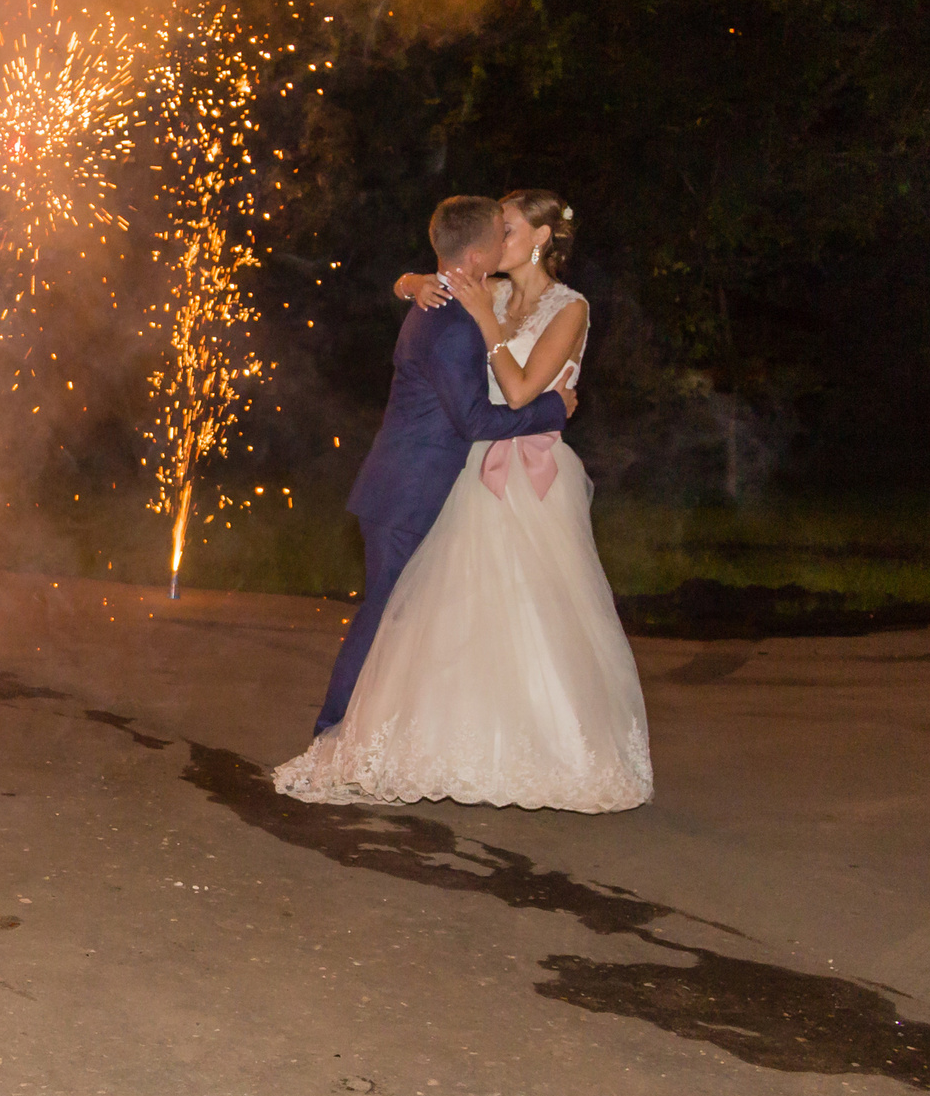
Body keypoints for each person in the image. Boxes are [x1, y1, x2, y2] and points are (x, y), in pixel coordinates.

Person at [275, 189, 653, 811]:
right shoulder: (490, 293)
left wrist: (485, 326)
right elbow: (440, 292)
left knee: (532, 620)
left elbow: (523, 387)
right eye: (495, 229)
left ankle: (536, 748)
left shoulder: (569, 308)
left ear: (537, 239)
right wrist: (411, 281)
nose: (496, 239)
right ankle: (418, 740)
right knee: (445, 616)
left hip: (528, 478)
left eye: (508, 228)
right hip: (466, 471)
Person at [295, 195, 575, 743]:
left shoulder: (458, 297)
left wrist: (408, 280)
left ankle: (406, 735)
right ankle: (333, 731)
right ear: (477, 254)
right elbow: (472, 417)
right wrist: (553, 410)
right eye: (500, 232)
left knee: (418, 619)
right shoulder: (453, 321)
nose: (505, 239)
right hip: (409, 491)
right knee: (386, 617)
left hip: (421, 485)